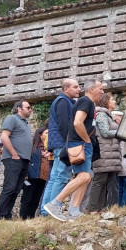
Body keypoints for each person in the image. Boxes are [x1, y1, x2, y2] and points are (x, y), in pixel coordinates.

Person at [44, 80, 104, 221]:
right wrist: (87, 140)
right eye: (100, 89)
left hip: (79, 143)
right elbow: (77, 122)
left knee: (85, 177)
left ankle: (74, 211)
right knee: (83, 177)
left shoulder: (87, 102)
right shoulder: (86, 101)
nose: (102, 92)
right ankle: (54, 204)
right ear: (91, 90)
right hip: (80, 144)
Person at [39, 79, 80, 216]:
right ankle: (52, 210)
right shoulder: (63, 101)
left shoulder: (63, 101)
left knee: (55, 177)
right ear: (66, 88)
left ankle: (46, 211)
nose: (78, 89)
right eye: (75, 87)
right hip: (63, 144)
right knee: (61, 177)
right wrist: (71, 142)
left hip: (58, 144)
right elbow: (64, 124)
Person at [0, 100, 33, 220]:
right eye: (28, 107)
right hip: (14, 159)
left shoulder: (25, 123)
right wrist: (14, 154)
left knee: (16, 189)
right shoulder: (12, 119)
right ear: (19, 109)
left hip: (24, 160)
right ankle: (0, 215)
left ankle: (7, 215)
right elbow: (4, 136)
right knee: (9, 187)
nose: (30, 109)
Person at [87, 93, 122, 213]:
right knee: (99, 181)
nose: (114, 101)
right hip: (104, 153)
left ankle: (99, 208)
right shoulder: (101, 115)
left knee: (105, 181)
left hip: (109, 154)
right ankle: (92, 208)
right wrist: (120, 132)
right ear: (106, 101)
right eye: (112, 99)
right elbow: (105, 133)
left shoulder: (108, 116)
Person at [21, 126, 50, 219]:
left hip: (43, 177)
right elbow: (26, 160)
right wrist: (25, 174)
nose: (48, 135)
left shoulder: (49, 147)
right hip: (31, 176)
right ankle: (23, 218)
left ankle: (31, 218)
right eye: (46, 133)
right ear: (40, 135)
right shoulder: (33, 146)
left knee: (36, 199)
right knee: (28, 198)